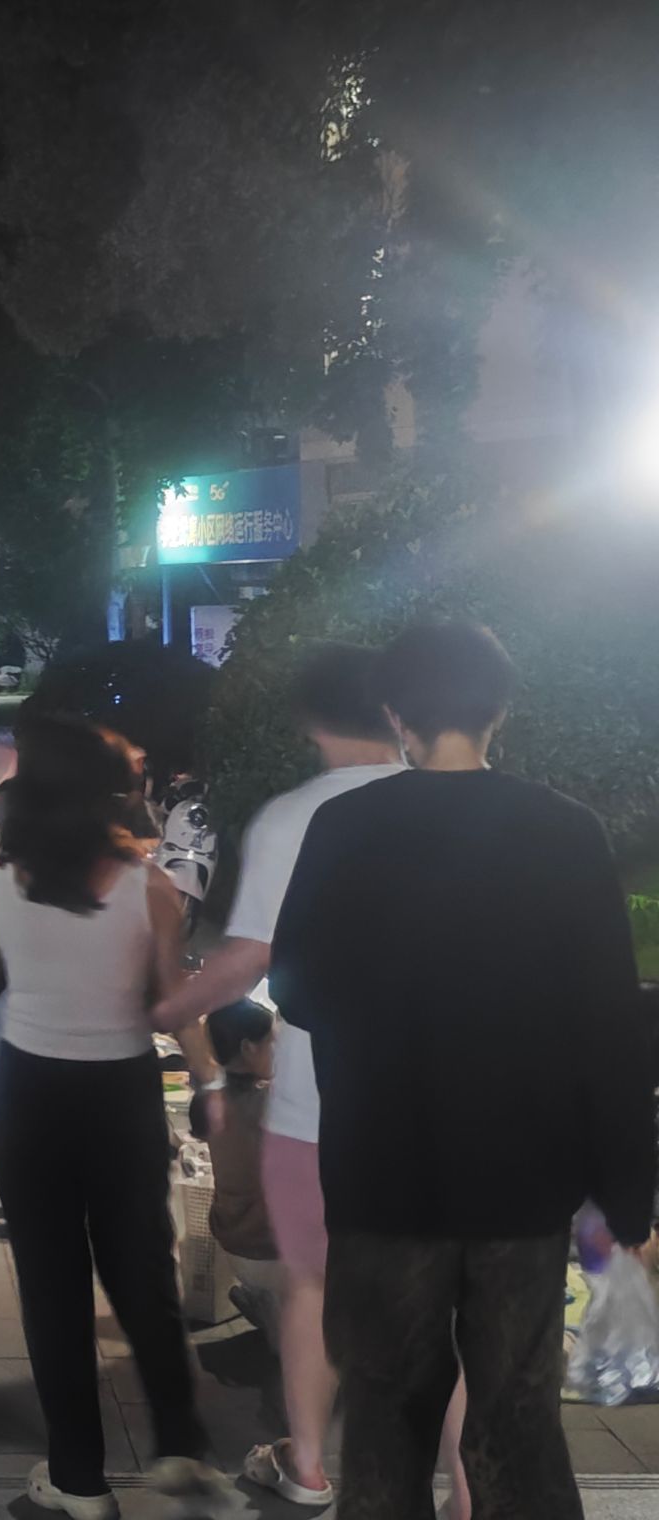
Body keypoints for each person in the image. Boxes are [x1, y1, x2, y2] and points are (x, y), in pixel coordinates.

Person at [270, 620, 653, 1520]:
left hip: (382, 1175)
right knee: (517, 1422)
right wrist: (629, 1199)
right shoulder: (565, 832)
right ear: (499, 710)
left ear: (396, 714)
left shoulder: (344, 825)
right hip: (522, 1187)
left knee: (385, 1425)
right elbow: (609, 1025)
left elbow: (295, 987)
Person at [0, 716, 232, 1519]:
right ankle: (179, 1446)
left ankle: (80, 1479)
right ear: (107, 796)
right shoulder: (149, 888)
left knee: (52, 1289)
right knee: (143, 1272)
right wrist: (211, 1080)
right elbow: (172, 1004)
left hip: (32, 1097)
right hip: (123, 1095)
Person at [149, 642, 406, 1511]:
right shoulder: (459, 808)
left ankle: (308, 1468)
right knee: (434, 1298)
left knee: (312, 1286)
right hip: (438, 1103)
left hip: (318, 1098)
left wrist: (164, 1008)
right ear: (399, 712)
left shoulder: (292, 817)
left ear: (305, 722)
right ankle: (463, 1488)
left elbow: (249, 953)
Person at [197, 1000, 280, 1347]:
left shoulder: (208, 1100)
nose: (279, 1051)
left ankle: (268, 1307)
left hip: (232, 1239)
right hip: (269, 1249)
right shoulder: (272, 1105)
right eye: (272, 1042)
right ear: (248, 1048)